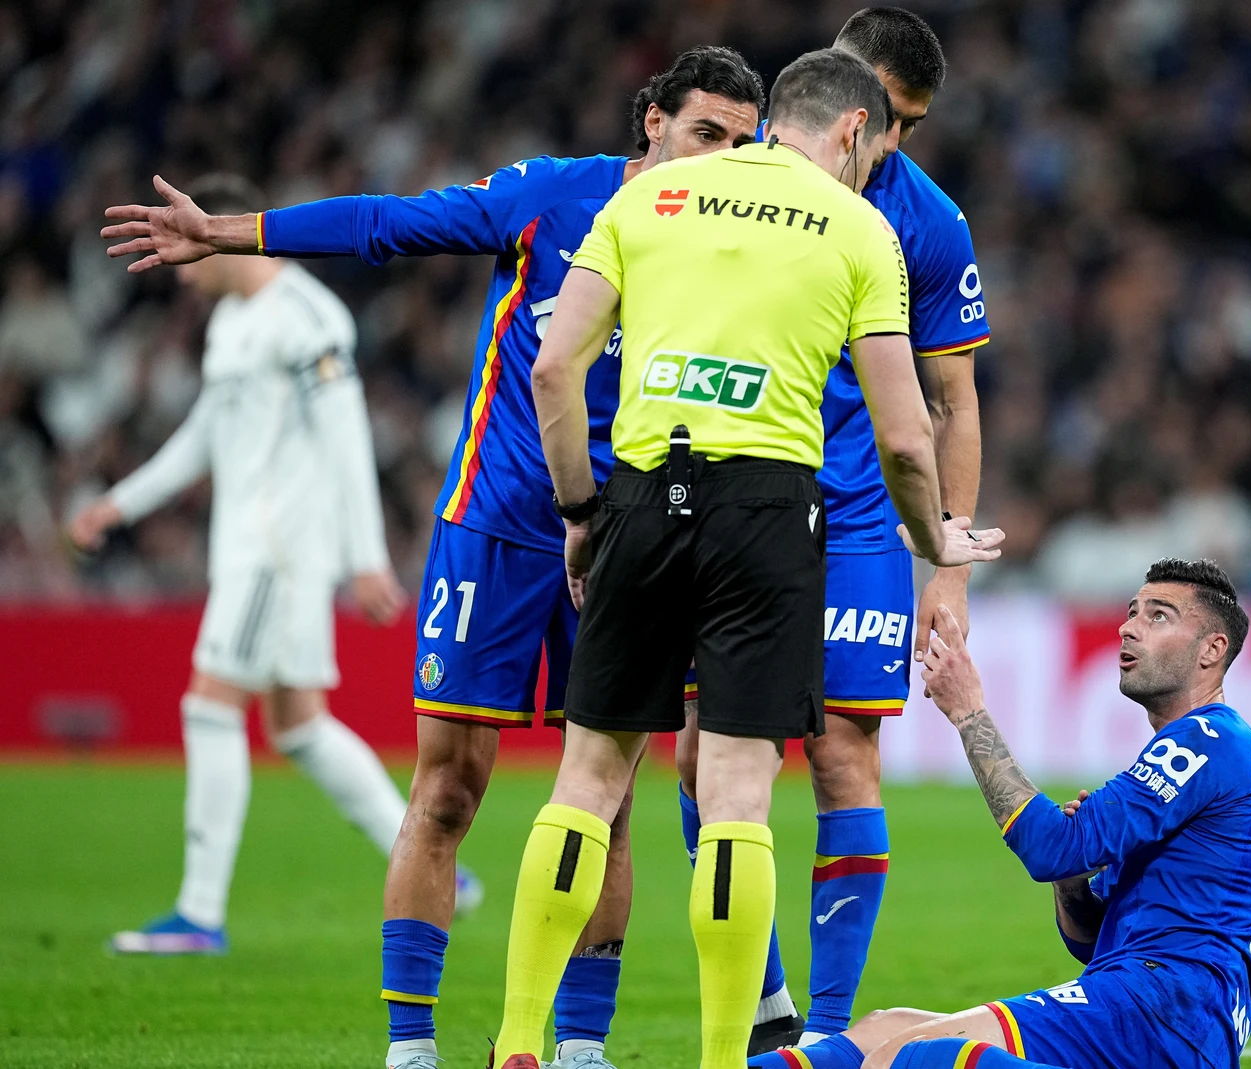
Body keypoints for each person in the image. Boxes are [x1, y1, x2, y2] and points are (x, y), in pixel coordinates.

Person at [99, 47, 769, 1069]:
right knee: (448, 788)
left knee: (609, 801)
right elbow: (390, 225)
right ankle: (411, 1047)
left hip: (630, 537)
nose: (719, 156)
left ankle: (582, 1046)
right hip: (498, 526)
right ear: (651, 122)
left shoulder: (737, 246)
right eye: (704, 132)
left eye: (739, 142)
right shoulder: (551, 199)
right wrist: (231, 231)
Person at [501, 48, 1003, 1069]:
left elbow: (556, 367)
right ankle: (728, 1056)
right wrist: (931, 537)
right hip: (769, 511)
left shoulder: (655, 193)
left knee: (589, 779)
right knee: (737, 791)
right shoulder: (860, 228)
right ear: (854, 132)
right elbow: (909, 436)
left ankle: (516, 1043)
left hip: (641, 495)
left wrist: (581, 509)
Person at [671, 8, 992, 1053]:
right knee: (699, 758)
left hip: (858, 517)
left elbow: (953, 403)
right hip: (729, 495)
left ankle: (838, 1035)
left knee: (844, 752)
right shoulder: (728, 174)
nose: (891, 143)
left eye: (912, 126)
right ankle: (765, 1011)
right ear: (837, 94)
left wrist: (945, 564)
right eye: (887, 116)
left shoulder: (927, 222)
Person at [749, 558, 1251, 1069]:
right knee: (878, 1030)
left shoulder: (1213, 740)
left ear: (1212, 649)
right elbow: (1090, 939)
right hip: (1140, 1001)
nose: (1129, 628)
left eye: (1158, 616)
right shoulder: (1188, 757)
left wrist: (967, 711)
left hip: (1166, 1009)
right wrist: (1074, 884)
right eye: (1132, 611)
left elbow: (1053, 847)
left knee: (905, 1057)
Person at [71, 175, 410, 957]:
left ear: (218, 229)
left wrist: (365, 558)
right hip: (251, 549)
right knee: (299, 727)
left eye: (186, 248)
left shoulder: (307, 316)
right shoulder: (232, 320)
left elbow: (347, 438)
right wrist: (117, 504)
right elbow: (204, 433)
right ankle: (433, 860)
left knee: (209, 704)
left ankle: (198, 914)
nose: (180, 268)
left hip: (277, 550)